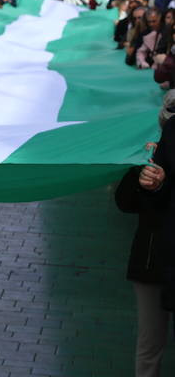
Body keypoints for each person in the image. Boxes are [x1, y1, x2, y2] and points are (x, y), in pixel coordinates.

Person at [116, 95, 173, 377]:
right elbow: (125, 201)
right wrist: (145, 181)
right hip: (153, 260)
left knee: (149, 345)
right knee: (150, 343)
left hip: (153, 258)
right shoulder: (150, 151)